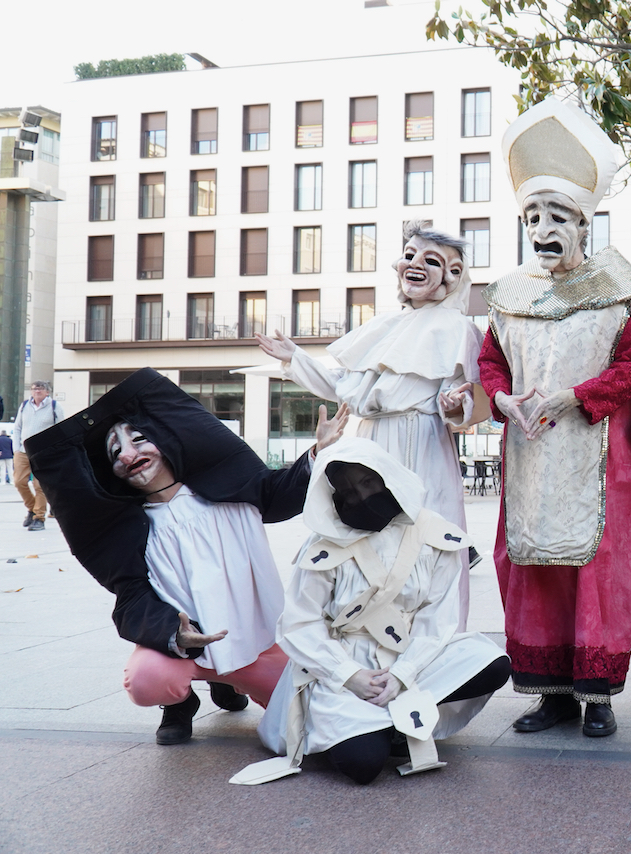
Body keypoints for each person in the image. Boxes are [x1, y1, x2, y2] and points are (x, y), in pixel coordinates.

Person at [25, 368, 347, 745]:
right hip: (184, 654)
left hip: (256, 645)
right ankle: (179, 703)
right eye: (115, 452)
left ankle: (230, 683)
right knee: (145, 680)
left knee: (310, 719)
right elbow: (130, 599)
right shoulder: (130, 529)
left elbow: (279, 494)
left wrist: (317, 453)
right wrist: (172, 632)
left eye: (139, 439)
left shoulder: (229, 491)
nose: (128, 454)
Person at [478, 98, 631, 738]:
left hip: (599, 457)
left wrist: (573, 397)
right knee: (533, 569)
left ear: (583, 222)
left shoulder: (620, 289)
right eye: (533, 216)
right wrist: (501, 399)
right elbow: (492, 362)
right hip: (529, 457)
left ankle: (598, 695)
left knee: (597, 572)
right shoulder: (508, 296)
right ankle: (550, 694)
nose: (543, 228)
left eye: (557, 215)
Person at [235, 438, 510, 786]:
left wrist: (403, 674)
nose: (362, 497)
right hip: (344, 664)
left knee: (491, 662)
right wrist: (349, 675)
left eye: (368, 482)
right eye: (349, 492)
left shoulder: (433, 533)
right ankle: (385, 725)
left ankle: (391, 721)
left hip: (410, 656)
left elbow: (436, 618)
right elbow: (300, 623)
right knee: (363, 764)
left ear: (386, 477)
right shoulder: (322, 546)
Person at [256, 224, 487, 625]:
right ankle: (366, 633)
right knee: (367, 538)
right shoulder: (384, 326)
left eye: (430, 260)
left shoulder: (457, 328)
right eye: (409, 255)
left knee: (427, 537)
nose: (414, 264)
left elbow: (465, 392)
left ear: (452, 275)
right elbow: (343, 386)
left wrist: (455, 403)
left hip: (421, 443)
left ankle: (435, 638)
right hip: (371, 443)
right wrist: (296, 358)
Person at [13, 380, 64, 531]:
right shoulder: (24, 406)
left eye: (41, 389)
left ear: (47, 392)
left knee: (39, 485)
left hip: (43, 452)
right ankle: (32, 508)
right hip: (23, 451)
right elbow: (17, 427)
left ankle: (39, 517)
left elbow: (60, 430)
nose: (37, 391)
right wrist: (16, 448)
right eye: (34, 389)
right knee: (19, 481)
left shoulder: (54, 406)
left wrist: (56, 450)